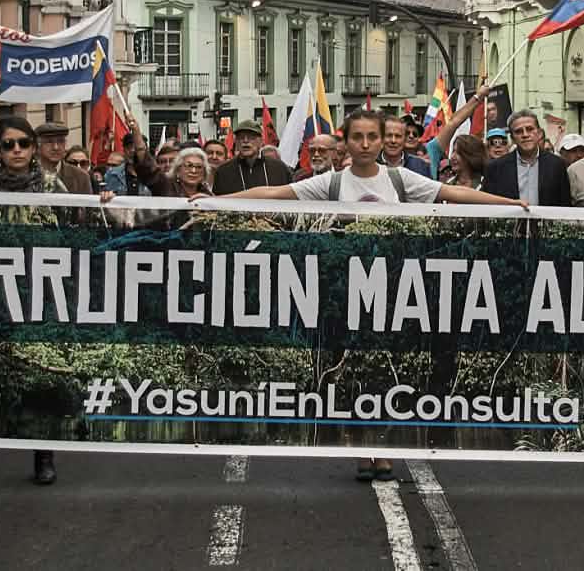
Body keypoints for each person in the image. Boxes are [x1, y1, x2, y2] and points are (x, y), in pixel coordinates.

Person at [197, 108, 528, 482]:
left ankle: (384, 447)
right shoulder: (332, 184)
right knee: (349, 371)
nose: (366, 144)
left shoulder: (400, 180)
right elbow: (275, 193)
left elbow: (451, 192)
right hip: (344, 296)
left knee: (386, 372)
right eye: (358, 137)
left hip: (394, 295)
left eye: (373, 136)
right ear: (346, 142)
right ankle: (359, 447)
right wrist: (214, 202)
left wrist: (509, 204)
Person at [0, 116, 107, 489]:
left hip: (40, 295)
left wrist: (102, 199)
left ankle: (43, 456)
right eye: (8, 144)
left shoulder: (51, 185)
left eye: (23, 144)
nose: (16, 151)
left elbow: (78, 223)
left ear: (32, 148)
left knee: (39, 377)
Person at [483, 110, 572, 207]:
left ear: (539, 133)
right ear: (512, 138)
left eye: (530, 129)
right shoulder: (496, 168)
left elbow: (564, 204)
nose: (525, 135)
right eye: (518, 131)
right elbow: (489, 206)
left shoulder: (557, 165)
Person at [213, 120, 294, 195]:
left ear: (261, 141)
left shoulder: (279, 168)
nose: (245, 141)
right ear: (236, 142)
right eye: (241, 137)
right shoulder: (223, 171)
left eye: (251, 137)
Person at [35, 121, 92, 195]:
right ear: (38, 146)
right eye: (49, 142)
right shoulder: (27, 174)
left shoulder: (81, 177)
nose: (56, 147)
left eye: (60, 141)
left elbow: (89, 205)